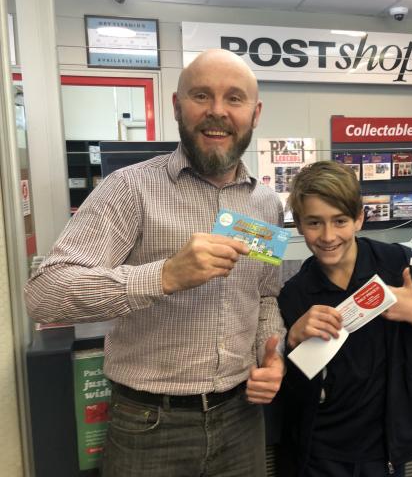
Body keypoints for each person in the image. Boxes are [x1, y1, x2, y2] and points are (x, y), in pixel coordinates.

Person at [24, 49, 286, 477]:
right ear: (177, 106)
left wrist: (271, 355)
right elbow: (45, 295)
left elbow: (265, 296)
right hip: (150, 425)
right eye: (202, 95)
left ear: (254, 114)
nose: (217, 111)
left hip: (242, 420)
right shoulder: (128, 189)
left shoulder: (265, 202)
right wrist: (163, 275)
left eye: (234, 99)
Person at [277, 161, 412, 477]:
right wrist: (292, 340)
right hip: (321, 453)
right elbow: (291, 388)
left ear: (360, 218)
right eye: (314, 223)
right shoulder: (296, 293)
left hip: (384, 449)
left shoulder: (396, 264)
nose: (328, 235)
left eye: (340, 221)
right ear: (299, 225)